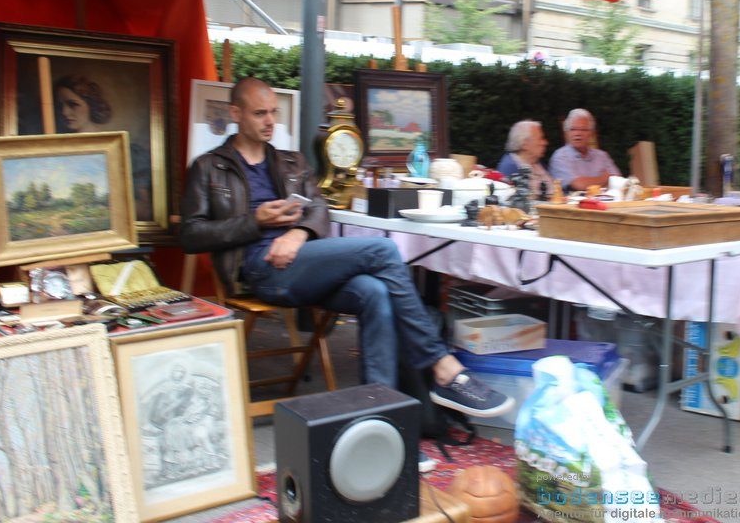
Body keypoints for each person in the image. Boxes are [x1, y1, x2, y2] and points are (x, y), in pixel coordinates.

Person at [179, 78, 513, 431]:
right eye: (259, 113)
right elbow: (190, 235)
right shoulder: (209, 166)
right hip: (262, 269)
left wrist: (298, 232)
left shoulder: (291, 162)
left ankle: (381, 420)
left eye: (273, 112)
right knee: (383, 250)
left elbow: (318, 208)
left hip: (305, 263)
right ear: (235, 113)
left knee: (375, 292)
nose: (269, 121)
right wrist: (254, 221)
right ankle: (442, 366)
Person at [54, 74, 153, 220]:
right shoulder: (56, 154)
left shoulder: (127, 152)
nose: (64, 112)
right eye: (60, 106)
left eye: (73, 104)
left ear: (91, 105)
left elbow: (145, 210)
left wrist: (100, 208)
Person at [548, 108, 621, 191]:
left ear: (591, 133)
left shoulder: (602, 156)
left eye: (583, 129)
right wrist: (605, 178)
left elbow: (618, 181)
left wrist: (589, 182)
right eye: (573, 129)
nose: (577, 133)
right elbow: (579, 185)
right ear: (566, 133)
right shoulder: (560, 157)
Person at [496, 120, 553, 195]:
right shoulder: (510, 167)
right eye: (540, 138)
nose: (545, 143)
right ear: (524, 144)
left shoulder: (538, 163)